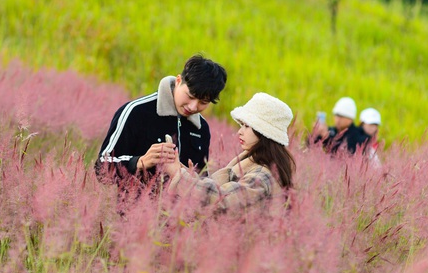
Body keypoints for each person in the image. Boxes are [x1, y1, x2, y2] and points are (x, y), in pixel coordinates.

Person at [95, 54, 227, 184]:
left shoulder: (201, 128)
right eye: (190, 96)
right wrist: (141, 162)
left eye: (203, 102)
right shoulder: (136, 112)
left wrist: (193, 179)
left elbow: (203, 186)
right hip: (135, 205)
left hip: (180, 206)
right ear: (178, 81)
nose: (193, 107)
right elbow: (101, 168)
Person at [161, 93, 295, 213]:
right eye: (241, 125)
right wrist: (183, 171)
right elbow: (217, 190)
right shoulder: (249, 166)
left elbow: (220, 200)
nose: (240, 131)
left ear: (264, 134)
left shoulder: (260, 177)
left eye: (247, 126)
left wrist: (179, 175)